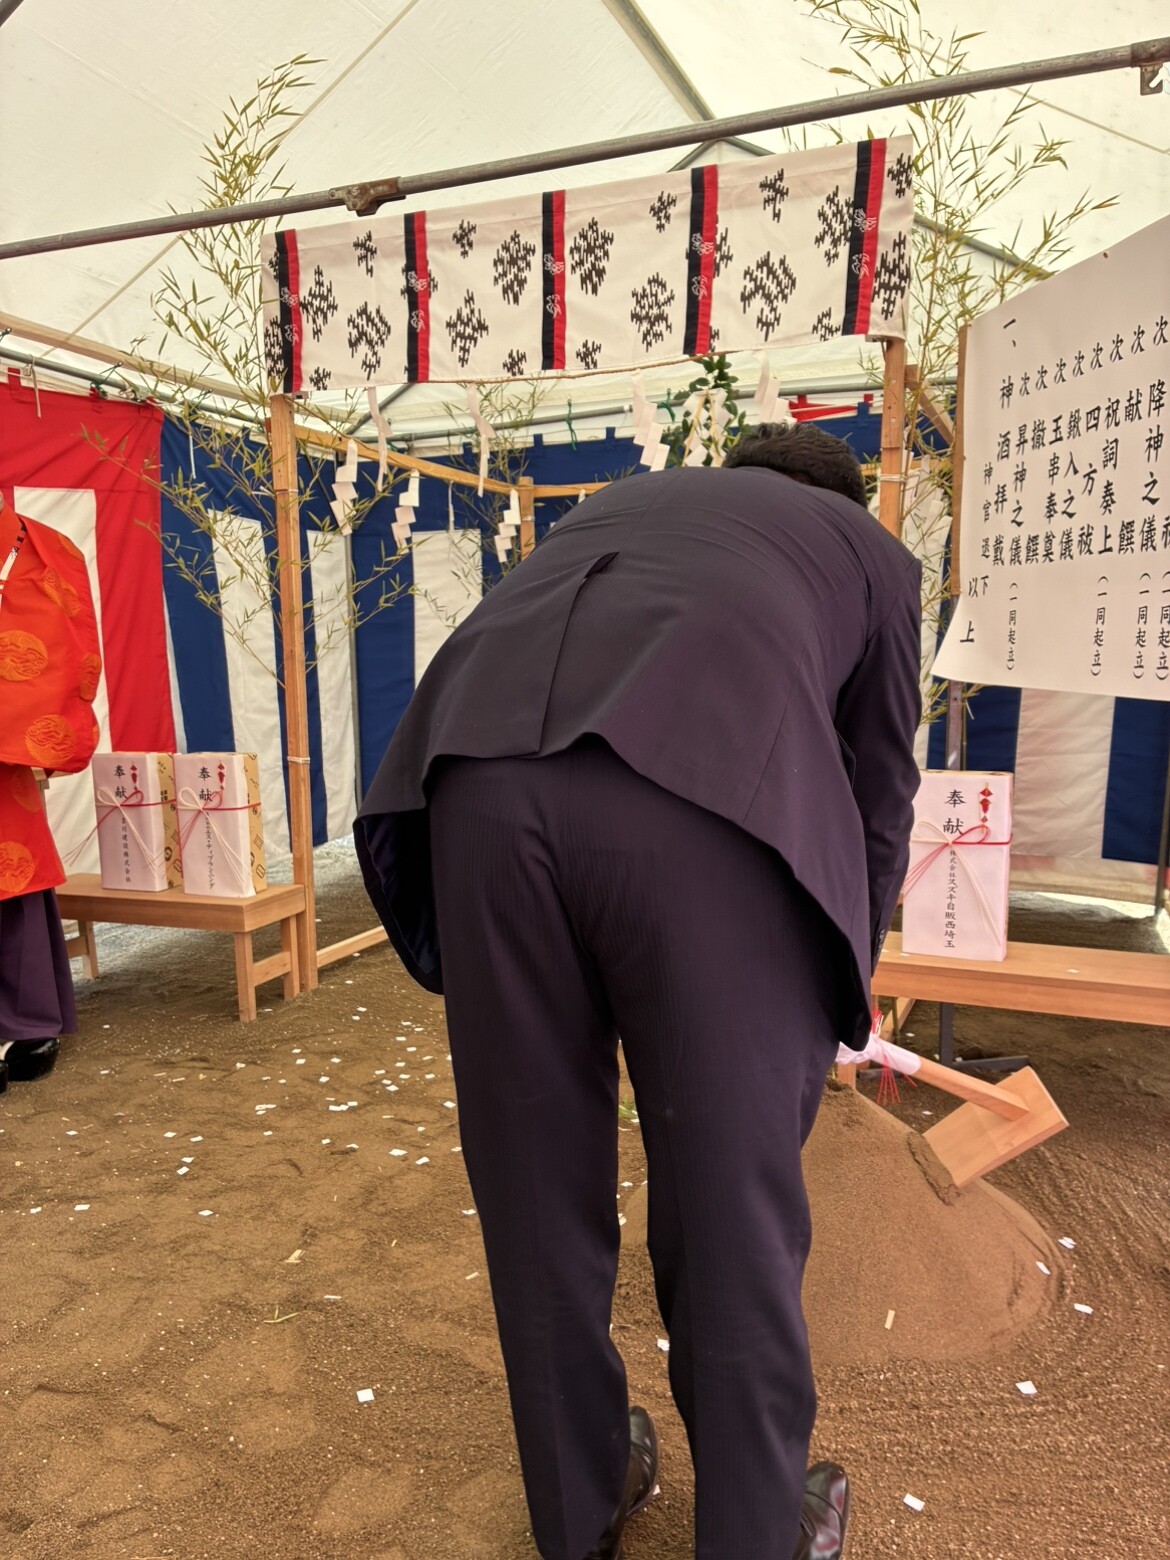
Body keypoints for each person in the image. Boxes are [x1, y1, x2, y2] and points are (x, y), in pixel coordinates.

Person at [355, 422, 922, 1560]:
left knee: (534, 1183)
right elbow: (879, 787)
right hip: (703, 800)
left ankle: (583, 1507)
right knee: (726, 1202)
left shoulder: (628, 501)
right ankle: (757, 1533)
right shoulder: (867, 550)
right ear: (846, 497)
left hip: (473, 785)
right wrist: (842, 982)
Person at [0, 497, 101, 1093]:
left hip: (8, 753)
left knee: (14, 881)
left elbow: (71, 652)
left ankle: (27, 1022)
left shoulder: (45, 548)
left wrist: (37, 720)